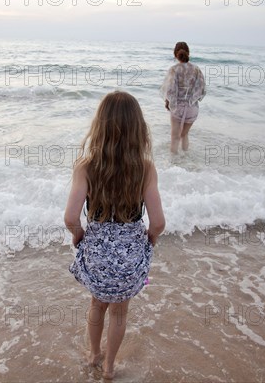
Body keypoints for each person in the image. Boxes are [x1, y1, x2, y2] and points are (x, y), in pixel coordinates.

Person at [65, 91, 165, 379]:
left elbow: (71, 217)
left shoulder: (86, 166)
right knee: (120, 313)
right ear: (139, 129)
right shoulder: (145, 168)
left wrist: (78, 236)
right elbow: (158, 222)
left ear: (100, 125)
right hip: (130, 260)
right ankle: (109, 367)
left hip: (96, 258)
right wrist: (149, 241)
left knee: (98, 305)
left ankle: (94, 355)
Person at [160, 41, 207, 154]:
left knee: (175, 137)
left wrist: (168, 103)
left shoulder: (174, 69)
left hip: (178, 107)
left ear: (175, 54)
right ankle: (186, 161)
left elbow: (170, 90)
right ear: (188, 52)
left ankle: (174, 166)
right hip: (192, 108)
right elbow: (201, 89)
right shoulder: (196, 69)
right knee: (184, 134)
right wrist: (191, 100)